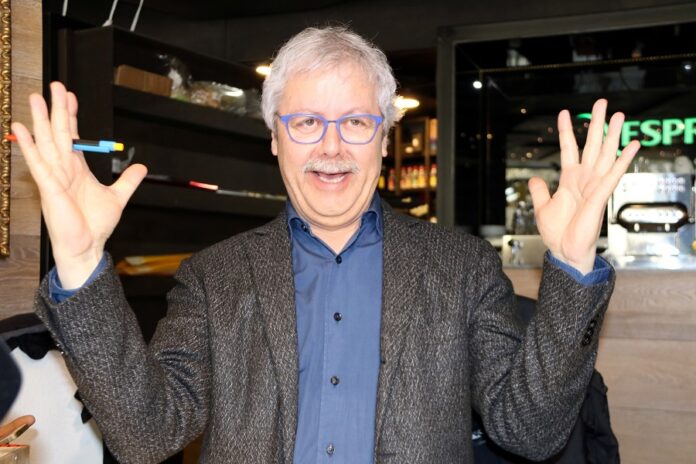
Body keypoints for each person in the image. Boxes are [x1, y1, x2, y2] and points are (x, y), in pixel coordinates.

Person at [13, 26, 639, 464]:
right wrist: (80, 262)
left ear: (385, 139)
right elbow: (148, 435)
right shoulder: (214, 276)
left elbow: (530, 431)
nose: (332, 147)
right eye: (308, 122)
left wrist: (572, 266)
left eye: (356, 122)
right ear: (275, 137)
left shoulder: (462, 267)